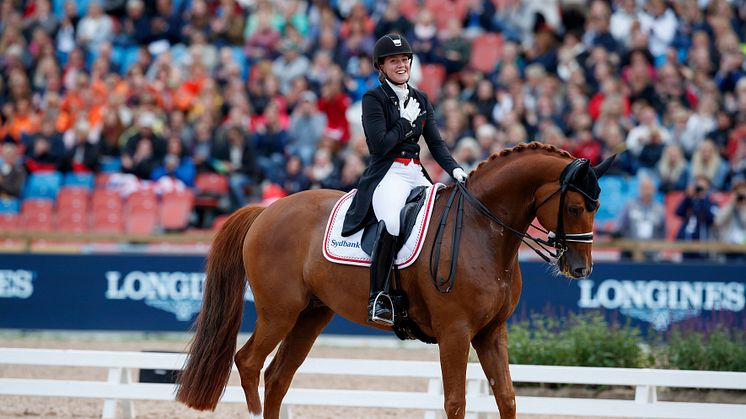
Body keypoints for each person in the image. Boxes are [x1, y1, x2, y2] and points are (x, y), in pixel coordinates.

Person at [341, 33, 467, 325]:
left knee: (440, 218)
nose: (401, 65)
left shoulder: (420, 98)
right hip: (388, 173)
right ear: (382, 66)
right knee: (394, 221)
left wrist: (455, 169)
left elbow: (435, 143)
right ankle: (378, 297)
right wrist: (405, 123)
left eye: (404, 60)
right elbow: (380, 144)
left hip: (415, 172)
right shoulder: (374, 98)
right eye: (394, 60)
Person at [614, 176, 666, 260]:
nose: (647, 191)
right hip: (630, 253)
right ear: (639, 189)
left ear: (654, 190)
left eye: (649, 188)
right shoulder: (630, 206)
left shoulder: (660, 209)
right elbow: (620, 226)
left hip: (652, 255)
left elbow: (663, 233)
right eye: (644, 188)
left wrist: (658, 249)